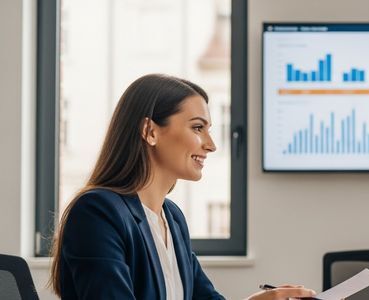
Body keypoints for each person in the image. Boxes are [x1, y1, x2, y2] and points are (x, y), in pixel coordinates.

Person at [48, 74, 316, 299]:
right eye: (198, 128)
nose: (211, 145)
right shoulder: (97, 212)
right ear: (150, 131)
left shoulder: (172, 218)